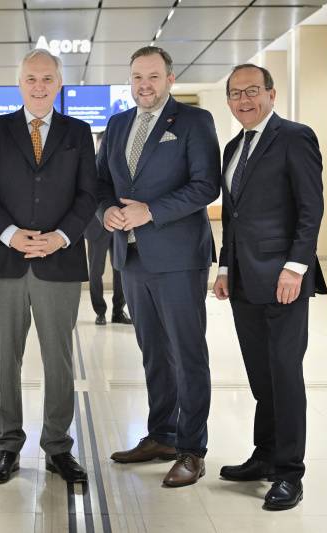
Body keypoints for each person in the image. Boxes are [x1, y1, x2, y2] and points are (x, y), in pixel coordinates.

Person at [0, 48, 97, 485]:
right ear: (20, 84)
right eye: (31, 79)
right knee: (5, 358)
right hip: (5, 262)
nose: (39, 86)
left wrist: (60, 237)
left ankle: (58, 447)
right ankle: (7, 445)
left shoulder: (78, 133)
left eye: (47, 79)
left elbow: (88, 195)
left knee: (59, 360)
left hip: (58, 262)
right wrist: (10, 233)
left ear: (59, 83)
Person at [98, 46, 220, 487]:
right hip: (131, 257)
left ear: (171, 79)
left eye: (152, 76)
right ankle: (162, 435)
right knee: (153, 353)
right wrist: (106, 212)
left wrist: (151, 211)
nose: (143, 85)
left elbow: (206, 184)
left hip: (178, 257)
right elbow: (99, 184)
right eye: (136, 77)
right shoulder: (116, 125)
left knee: (187, 353)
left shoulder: (193, 122)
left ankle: (191, 449)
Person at [213, 64, 326, 510]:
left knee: (284, 373)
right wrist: (224, 268)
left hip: (283, 278)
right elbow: (233, 215)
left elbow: (310, 208)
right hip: (243, 279)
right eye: (236, 93)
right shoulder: (232, 148)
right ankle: (264, 456)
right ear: (228, 101)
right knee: (261, 377)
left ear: (271, 93)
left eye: (253, 91)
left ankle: (290, 472)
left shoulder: (295, 137)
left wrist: (296, 267)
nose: (245, 100)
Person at [86, 131, 130, 326]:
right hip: (96, 226)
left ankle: (118, 311)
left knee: (120, 269)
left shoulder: (123, 163)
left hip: (121, 224)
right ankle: (100, 312)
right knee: (96, 271)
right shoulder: (87, 165)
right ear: (97, 145)